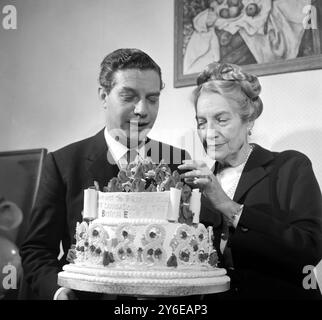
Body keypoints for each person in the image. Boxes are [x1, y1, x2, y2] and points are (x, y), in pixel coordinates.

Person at [20, 48, 190, 300]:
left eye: (152, 99)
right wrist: (59, 293)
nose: (142, 110)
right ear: (103, 95)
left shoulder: (178, 161)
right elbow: (36, 249)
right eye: (129, 96)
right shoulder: (63, 163)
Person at [178, 61, 322, 299]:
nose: (208, 133)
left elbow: (311, 249)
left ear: (249, 120)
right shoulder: (198, 185)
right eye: (201, 122)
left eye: (221, 120)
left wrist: (229, 207)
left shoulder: (289, 167)